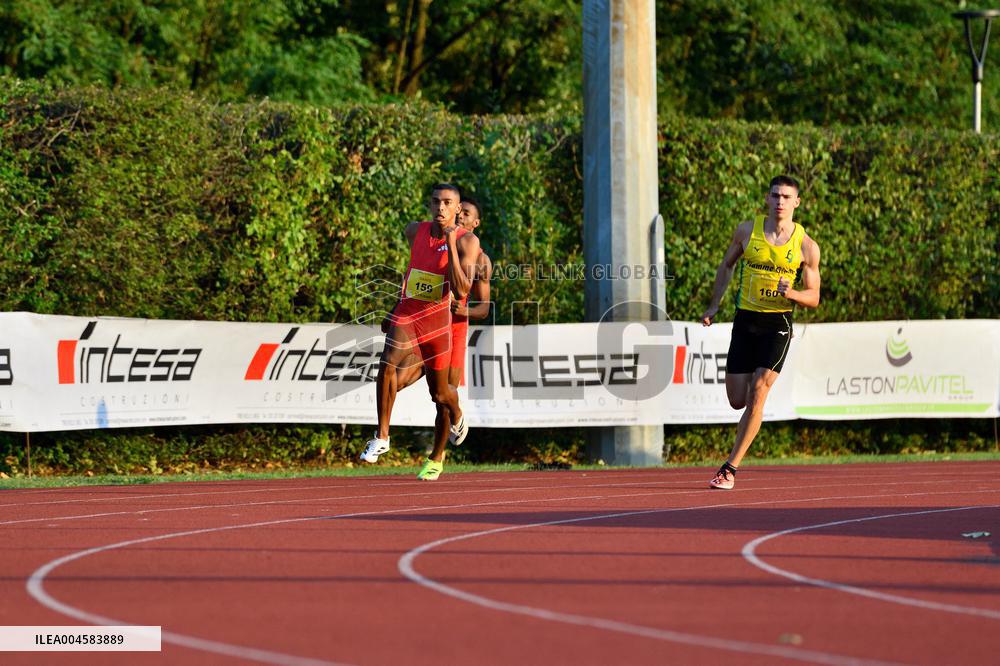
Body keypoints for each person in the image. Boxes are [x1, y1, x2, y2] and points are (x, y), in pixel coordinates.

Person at [700, 175, 821, 490]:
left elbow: (814, 296)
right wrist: (714, 305)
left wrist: (792, 293)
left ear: (796, 203)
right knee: (736, 400)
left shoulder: (806, 246)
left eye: (786, 197)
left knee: (758, 390)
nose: (780, 201)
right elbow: (726, 267)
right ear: (767, 199)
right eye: (775, 195)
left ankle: (730, 468)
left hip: (777, 324)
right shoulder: (746, 231)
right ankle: (733, 458)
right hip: (745, 322)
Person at [360, 184, 481, 480]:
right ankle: (383, 436)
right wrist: (393, 308)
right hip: (411, 314)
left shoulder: (469, 244)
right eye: (436, 202)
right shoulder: (415, 231)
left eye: (449, 204)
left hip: (445, 325)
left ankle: (453, 423)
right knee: (388, 365)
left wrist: (451, 243)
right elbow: (413, 271)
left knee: (440, 394)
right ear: (430, 205)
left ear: (458, 211)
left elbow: (463, 289)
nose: (442, 208)